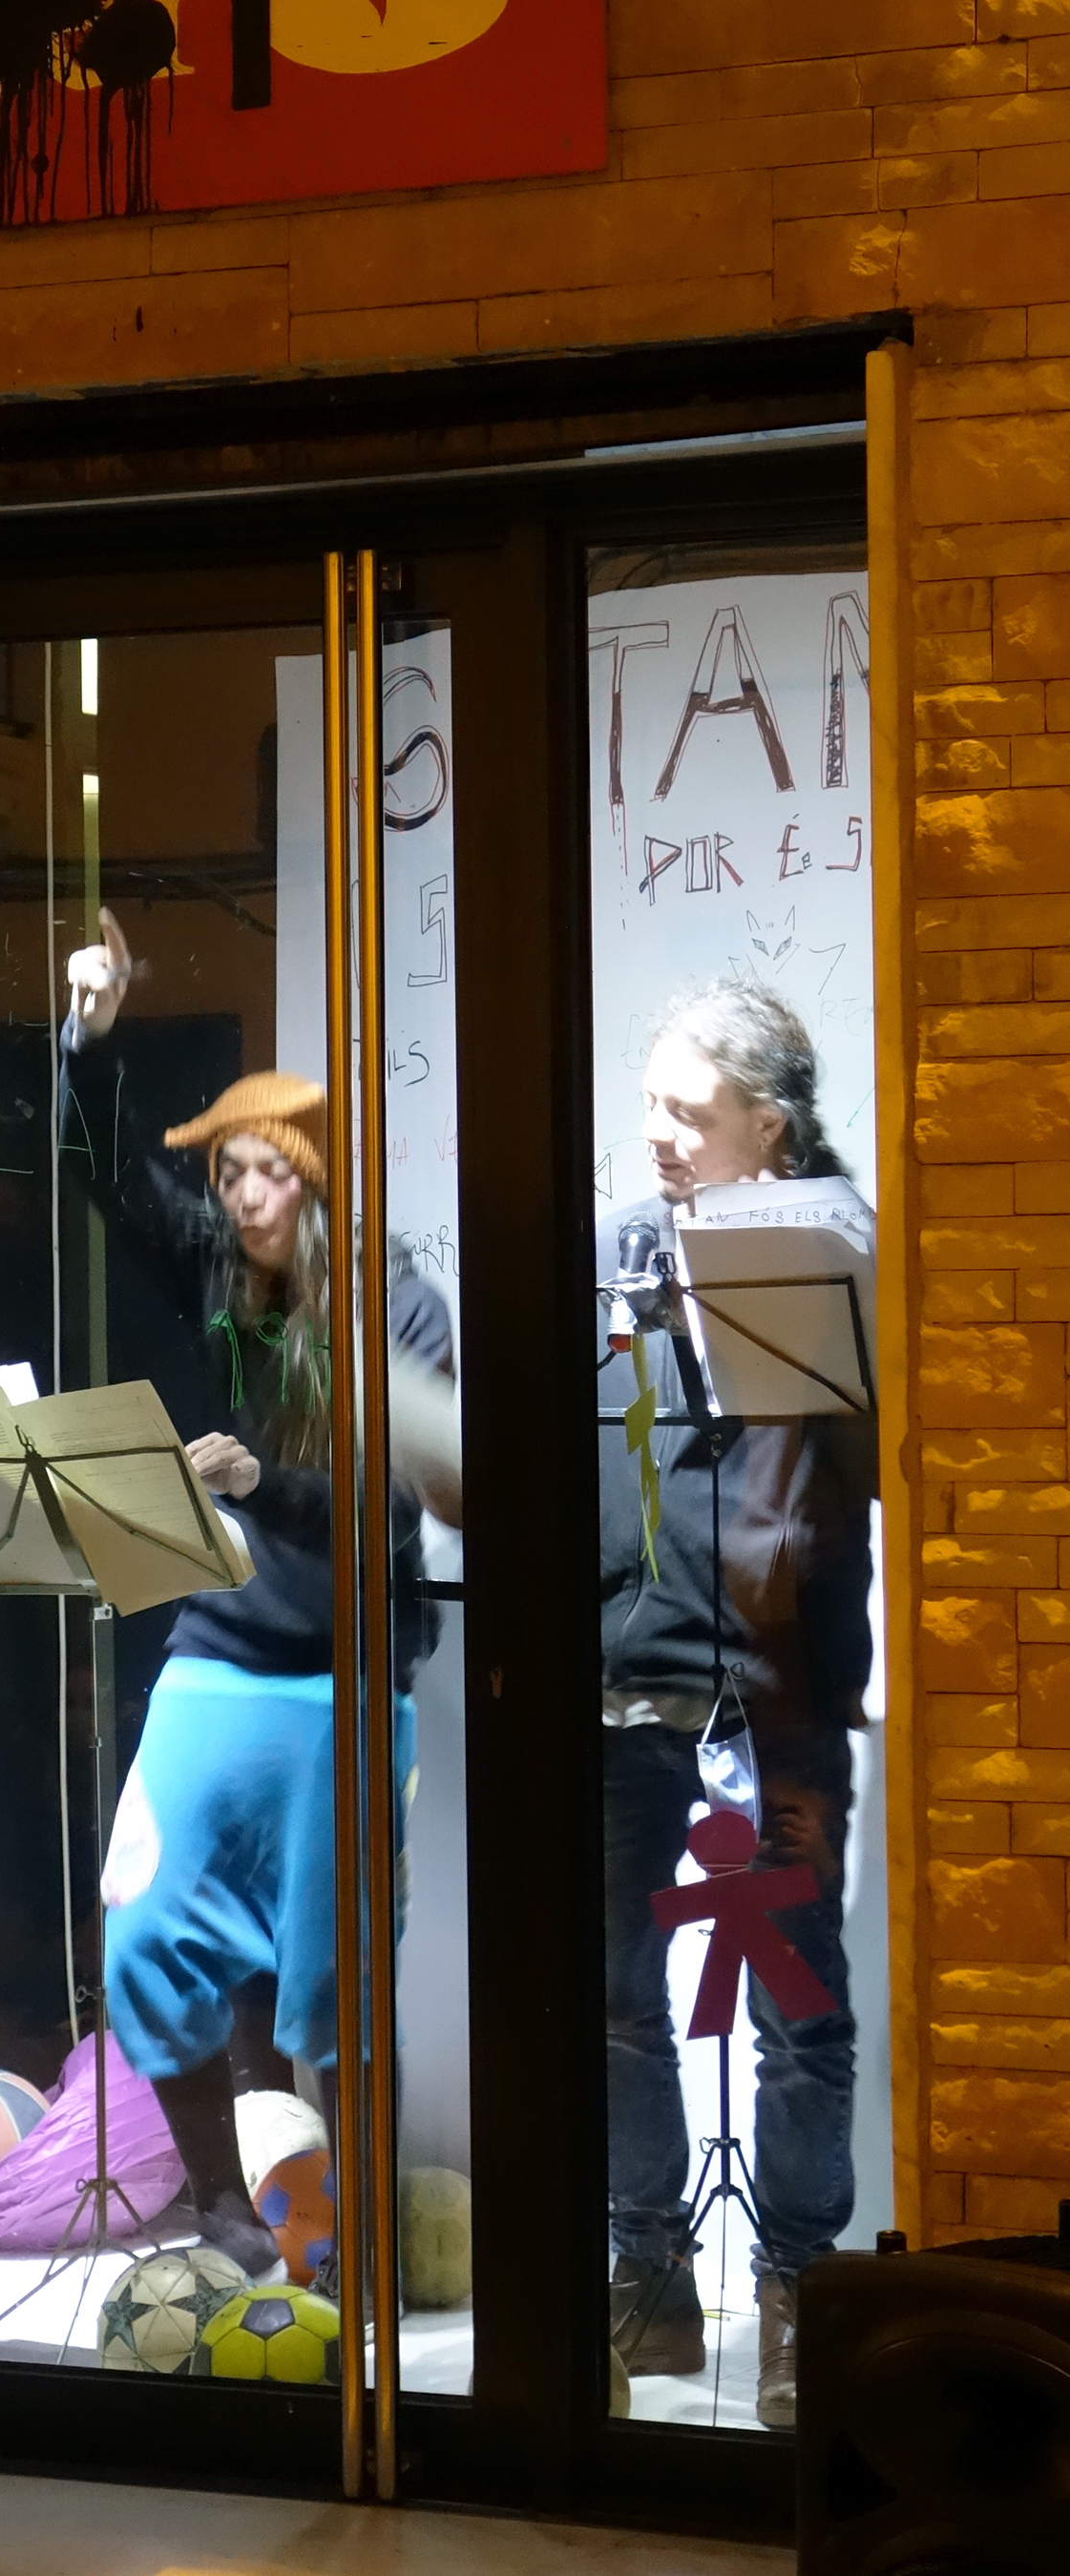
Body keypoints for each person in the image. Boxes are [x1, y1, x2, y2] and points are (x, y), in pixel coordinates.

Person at [63, 908, 454, 2279]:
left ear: (316, 1181)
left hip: (346, 1666)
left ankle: (347, 2239)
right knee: (143, 1926)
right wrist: (88, 1040)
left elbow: (387, 1509)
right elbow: (111, 1178)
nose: (239, 1197)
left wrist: (257, 1484)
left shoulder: (395, 1309)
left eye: (264, 1174)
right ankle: (226, 2203)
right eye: (226, 1172)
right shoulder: (221, 1275)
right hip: (221, 1652)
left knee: (335, 1982)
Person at [598, 980, 876, 2433]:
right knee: (615, 2002)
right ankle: (646, 2279)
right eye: (649, 1103)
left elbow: (881, 1464)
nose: (658, 1134)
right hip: (628, 1679)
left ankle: (796, 2302)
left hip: (782, 1694)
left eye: (689, 1112)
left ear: (769, 1125)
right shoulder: (618, 1254)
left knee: (798, 2011)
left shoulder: (841, 1254)